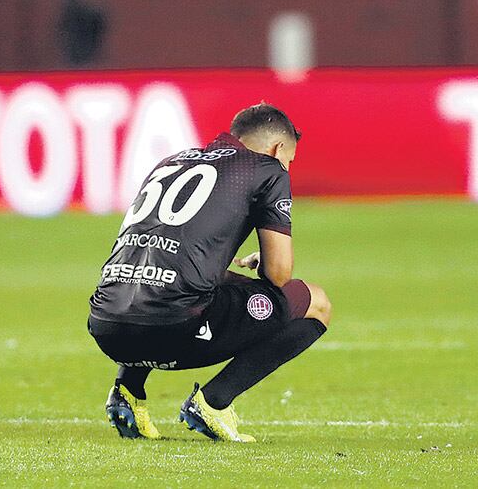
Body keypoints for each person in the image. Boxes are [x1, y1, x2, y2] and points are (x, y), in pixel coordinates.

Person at [87, 103, 331, 441]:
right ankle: (214, 402)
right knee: (316, 302)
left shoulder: (171, 161)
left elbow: (167, 255)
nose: (286, 166)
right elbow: (278, 275)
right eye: (289, 159)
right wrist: (267, 261)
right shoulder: (267, 169)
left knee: (169, 279)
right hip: (173, 329)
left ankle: (126, 391)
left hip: (106, 326)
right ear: (277, 149)